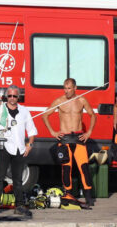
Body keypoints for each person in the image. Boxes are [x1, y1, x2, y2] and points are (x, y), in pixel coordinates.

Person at [41, 78, 97, 208]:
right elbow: (45, 115)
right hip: (65, 138)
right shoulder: (59, 101)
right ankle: (68, 195)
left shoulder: (82, 100)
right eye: (65, 88)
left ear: (75, 88)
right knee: (67, 169)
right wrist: (53, 132)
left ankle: (88, 197)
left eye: (69, 88)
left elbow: (93, 115)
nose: (66, 91)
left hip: (78, 137)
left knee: (84, 168)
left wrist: (88, 132)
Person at [0, 85, 37, 216]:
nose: (12, 98)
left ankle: (19, 205)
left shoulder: (25, 111)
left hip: (19, 149)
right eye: (10, 96)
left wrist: (29, 146)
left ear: (18, 97)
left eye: (15, 96)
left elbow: (32, 131)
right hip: (3, 148)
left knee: (18, 180)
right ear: (6, 97)